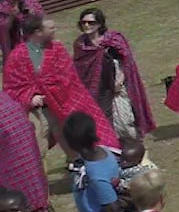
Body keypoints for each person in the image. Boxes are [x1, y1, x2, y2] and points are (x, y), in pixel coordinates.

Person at [5, 14, 115, 157]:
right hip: (38, 111)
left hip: (65, 104)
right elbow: (12, 87)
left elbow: (67, 76)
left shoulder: (57, 49)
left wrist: (48, 89)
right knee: (37, 150)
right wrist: (30, 97)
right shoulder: (17, 56)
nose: (55, 30)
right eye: (51, 28)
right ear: (38, 32)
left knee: (76, 142)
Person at [73, 8, 153, 144]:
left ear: (99, 24)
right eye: (83, 23)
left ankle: (136, 149)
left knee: (124, 120)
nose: (86, 25)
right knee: (104, 123)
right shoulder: (81, 45)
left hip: (118, 85)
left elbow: (127, 61)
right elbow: (80, 68)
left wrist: (120, 80)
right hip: (97, 90)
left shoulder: (114, 39)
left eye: (90, 22)